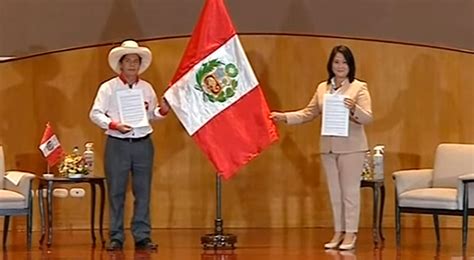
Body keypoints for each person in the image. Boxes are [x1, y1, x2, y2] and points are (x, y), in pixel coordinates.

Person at [271, 45, 372, 250]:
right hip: (328, 147)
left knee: (350, 192)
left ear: (350, 65)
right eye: (336, 62)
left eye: (344, 62)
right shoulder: (322, 88)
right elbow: (309, 113)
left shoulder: (359, 87)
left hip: (352, 147)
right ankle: (338, 232)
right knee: (335, 192)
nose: (340, 66)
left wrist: (354, 108)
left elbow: (368, 118)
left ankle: (351, 234)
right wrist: (284, 117)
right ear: (330, 64)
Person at [89, 40, 169, 251]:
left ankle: (142, 235)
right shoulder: (108, 88)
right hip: (118, 143)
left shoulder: (147, 88)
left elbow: (151, 115)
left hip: (143, 143)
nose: (132, 65)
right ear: (121, 65)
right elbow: (95, 113)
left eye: (136, 61)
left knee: (143, 192)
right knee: (116, 191)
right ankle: (116, 236)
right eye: (128, 61)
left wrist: (163, 110)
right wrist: (113, 125)